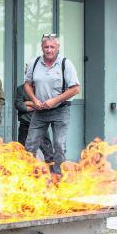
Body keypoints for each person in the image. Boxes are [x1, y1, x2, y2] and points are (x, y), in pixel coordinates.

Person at [24, 34, 81, 175]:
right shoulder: (34, 63)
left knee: (59, 145)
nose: (49, 50)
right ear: (42, 48)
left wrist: (54, 100)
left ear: (58, 47)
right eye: (46, 47)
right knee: (30, 145)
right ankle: (29, 177)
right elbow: (27, 84)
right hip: (39, 111)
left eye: (52, 47)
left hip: (60, 111)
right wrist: (34, 99)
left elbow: (75, 89)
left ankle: (58, 177)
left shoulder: (66, 64)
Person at [15, 64, 53, 155]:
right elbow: (19, 105)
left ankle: (52, 168)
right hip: (25, 124)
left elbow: (45, 104)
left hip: (41, 124)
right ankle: (25, 169)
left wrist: (28, 103)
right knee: (23, 153)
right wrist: (35, 105)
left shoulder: (44, 87)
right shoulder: (20, 89)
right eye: (27, 71)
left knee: (48, 152)